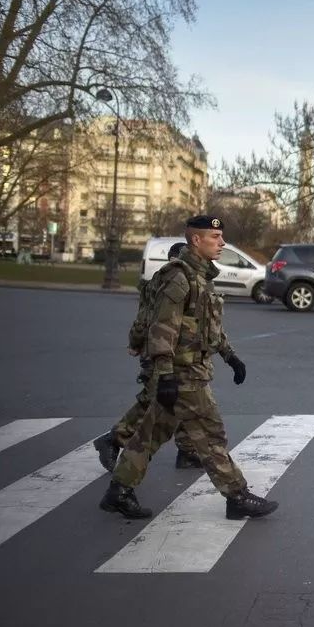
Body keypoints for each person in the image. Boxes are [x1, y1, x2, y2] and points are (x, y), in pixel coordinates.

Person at [99, 215, 277, 520]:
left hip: (189, 371)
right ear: (196, 240)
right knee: (211, 435)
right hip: (183, 376)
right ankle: (236, 496)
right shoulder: (178, 277)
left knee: (149, 435)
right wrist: (166, 374)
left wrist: (230, 356)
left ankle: (119, 491)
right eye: (215, 237)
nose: (221, 243)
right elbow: (162, 329)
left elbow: (204, 326)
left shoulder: (200, 276)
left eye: (221, 237)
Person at [93, 241, 201, 472]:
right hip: (161, 355)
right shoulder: (163, 283)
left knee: (188, 401)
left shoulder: (185, 281)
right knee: (155, 403)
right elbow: (146, 319)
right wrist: (137, 343)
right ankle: (113, 440)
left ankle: (187, 451)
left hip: (182, 355)